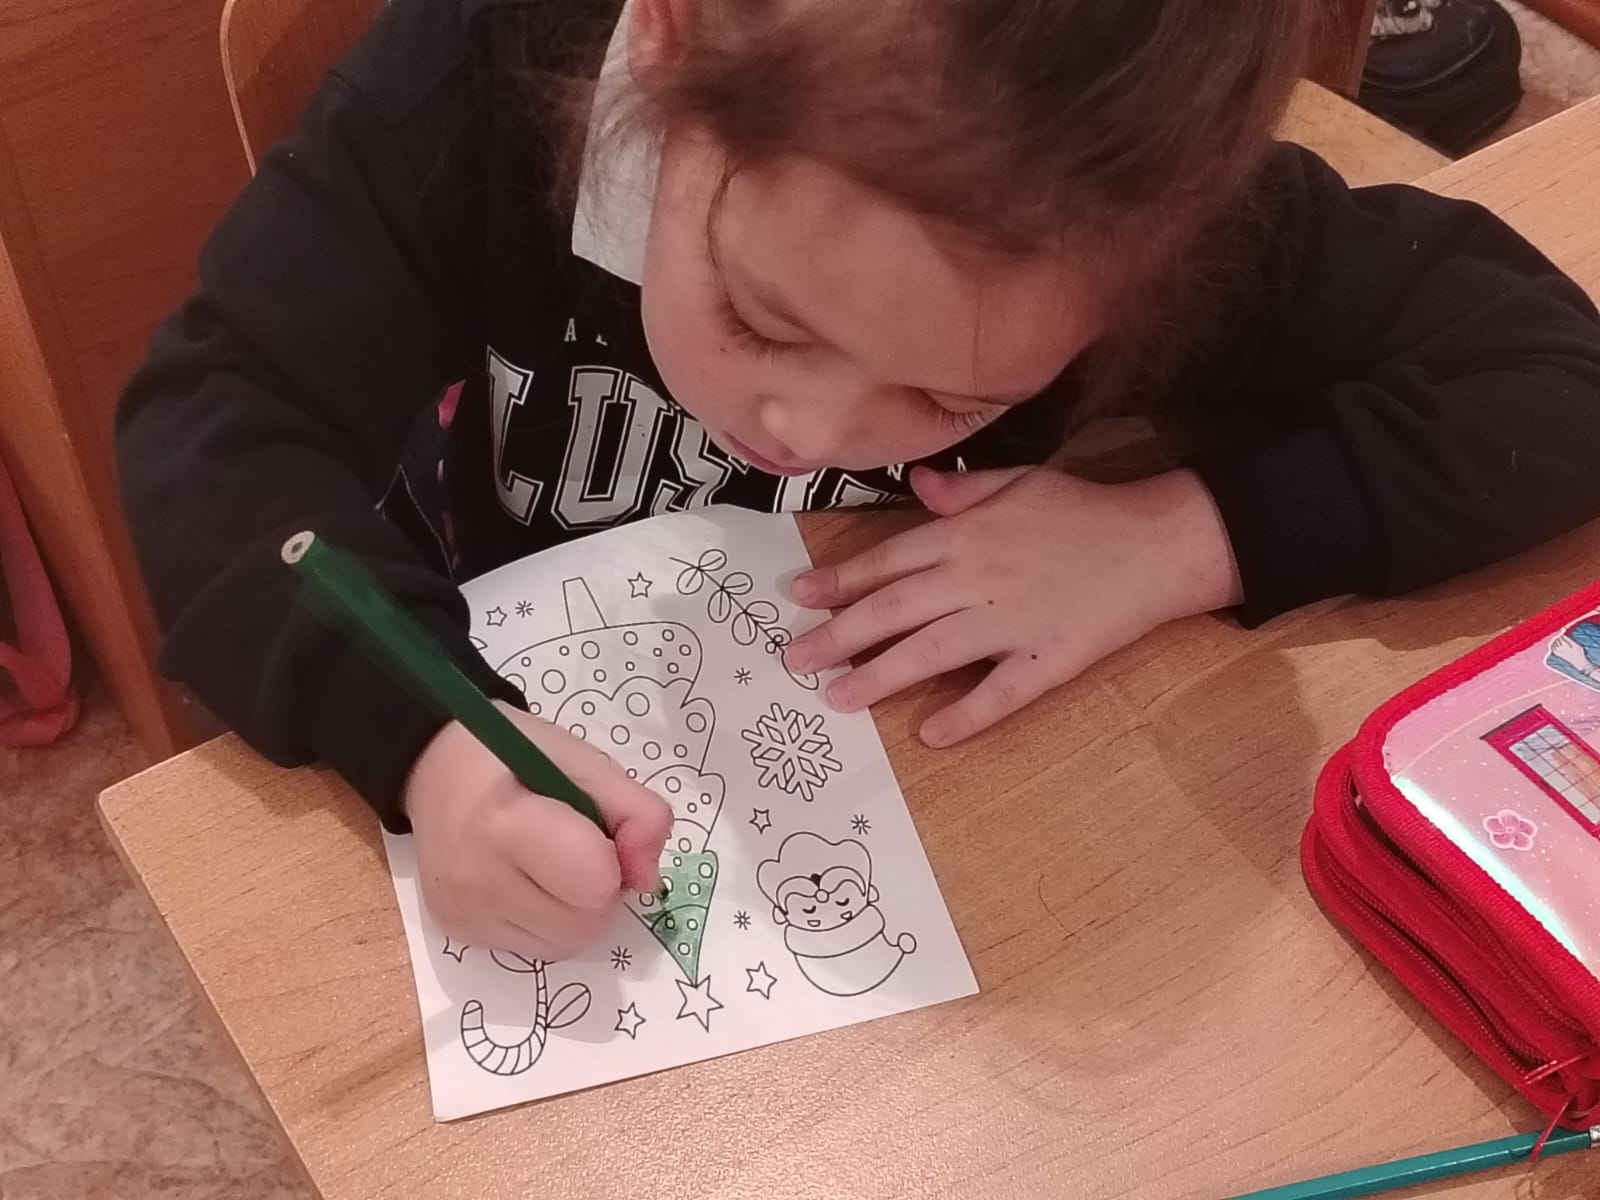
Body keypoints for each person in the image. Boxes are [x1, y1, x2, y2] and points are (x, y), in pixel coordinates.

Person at [117, 0, 1600, 962]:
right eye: (764, 319)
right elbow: (216, 414)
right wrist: (427, 737)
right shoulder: (484, 84)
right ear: (670, 47)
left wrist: (1181, 536)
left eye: (956, 399)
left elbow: (1552, 377)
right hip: (502, 685)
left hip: (956, 837)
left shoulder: (1151, 219)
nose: (809, 429)